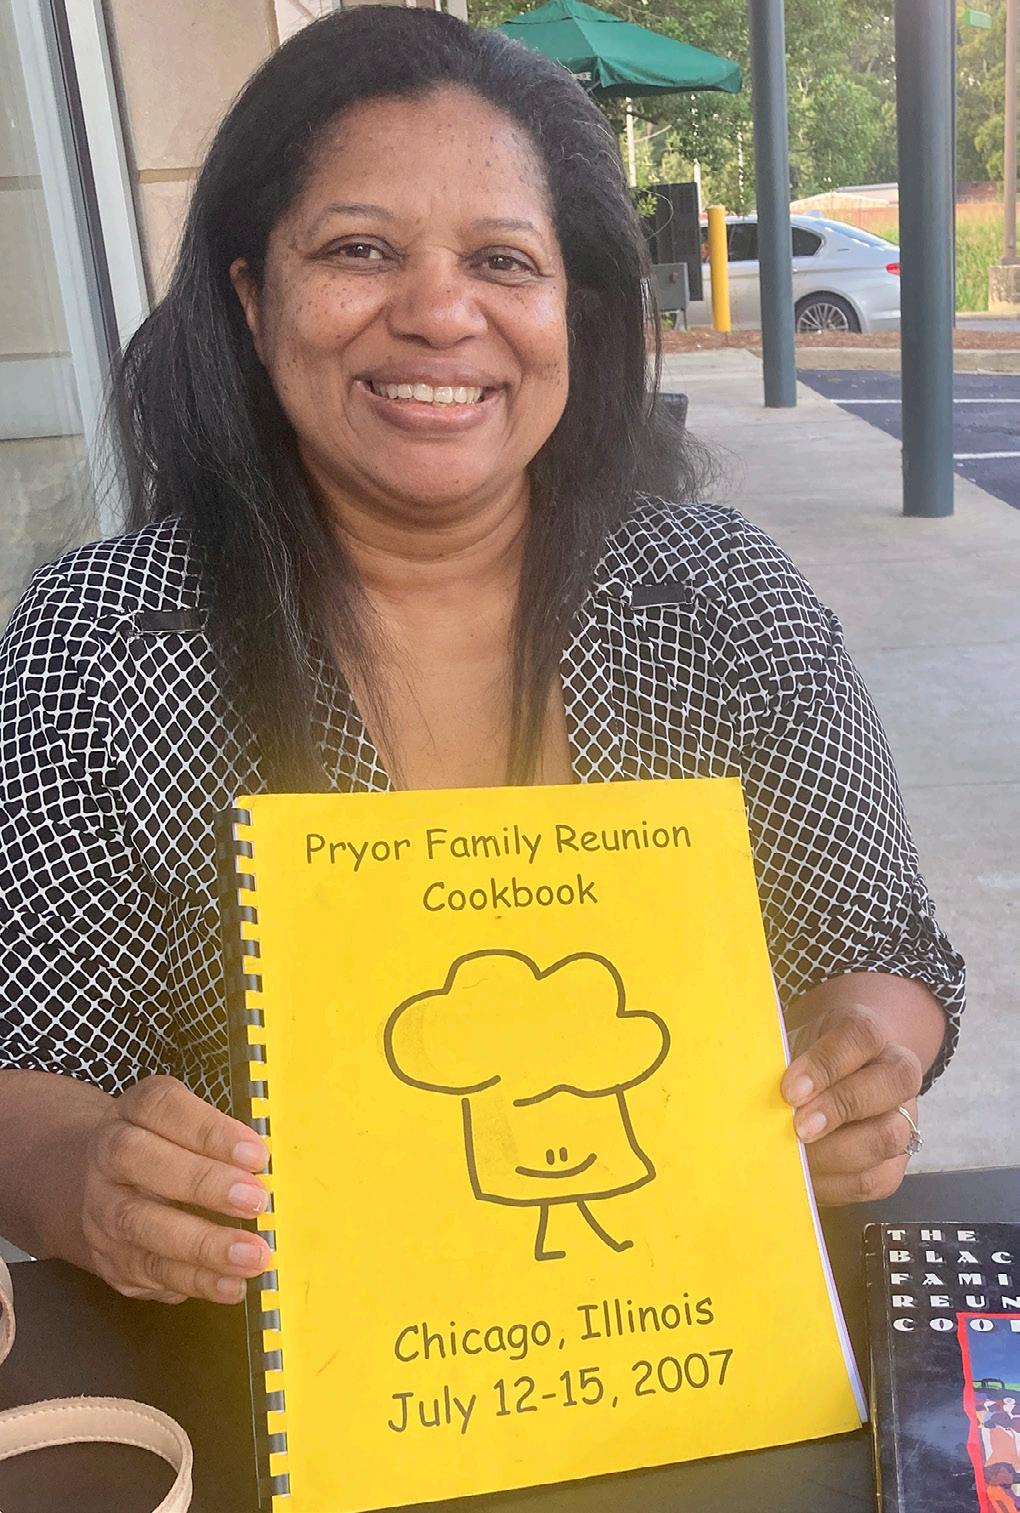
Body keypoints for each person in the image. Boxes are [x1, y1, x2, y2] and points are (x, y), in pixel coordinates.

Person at [0, 7, 963, 1308]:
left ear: (576, 309)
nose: (440, 314)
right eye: (359, 249)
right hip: (268, 1367)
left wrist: (865, 1058)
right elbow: (24, 1068)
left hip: (686, 1330)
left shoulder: (723, 600)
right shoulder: (100, 646)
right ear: (252, 296)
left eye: (504, 260)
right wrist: (90, 1180)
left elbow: (884, 946)